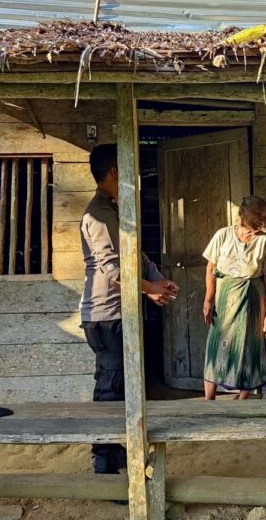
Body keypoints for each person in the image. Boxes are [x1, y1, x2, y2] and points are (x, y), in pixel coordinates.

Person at [80, 144, 179, 474]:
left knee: (119, 384)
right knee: (110, 387)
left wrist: (157, 280)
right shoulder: (97, 214)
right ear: (113, 172)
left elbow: (138, 257)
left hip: (119, 311)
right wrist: (149, 290)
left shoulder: (115, 210)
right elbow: (113, 268)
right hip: (105, 315)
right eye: (127, 168)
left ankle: (112, 448)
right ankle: (104, 462)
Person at [202, 196, 266, 400]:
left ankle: (242, 399)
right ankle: (208, 401)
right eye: (257, 215)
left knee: (249, 348)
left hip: (252, 302)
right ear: (242, 213)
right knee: (216, 345)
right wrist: (208, 300)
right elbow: (211, 268)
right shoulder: (223, 235)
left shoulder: (264, 242)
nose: (261, 221)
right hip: (224, 301)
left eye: (265, 217)